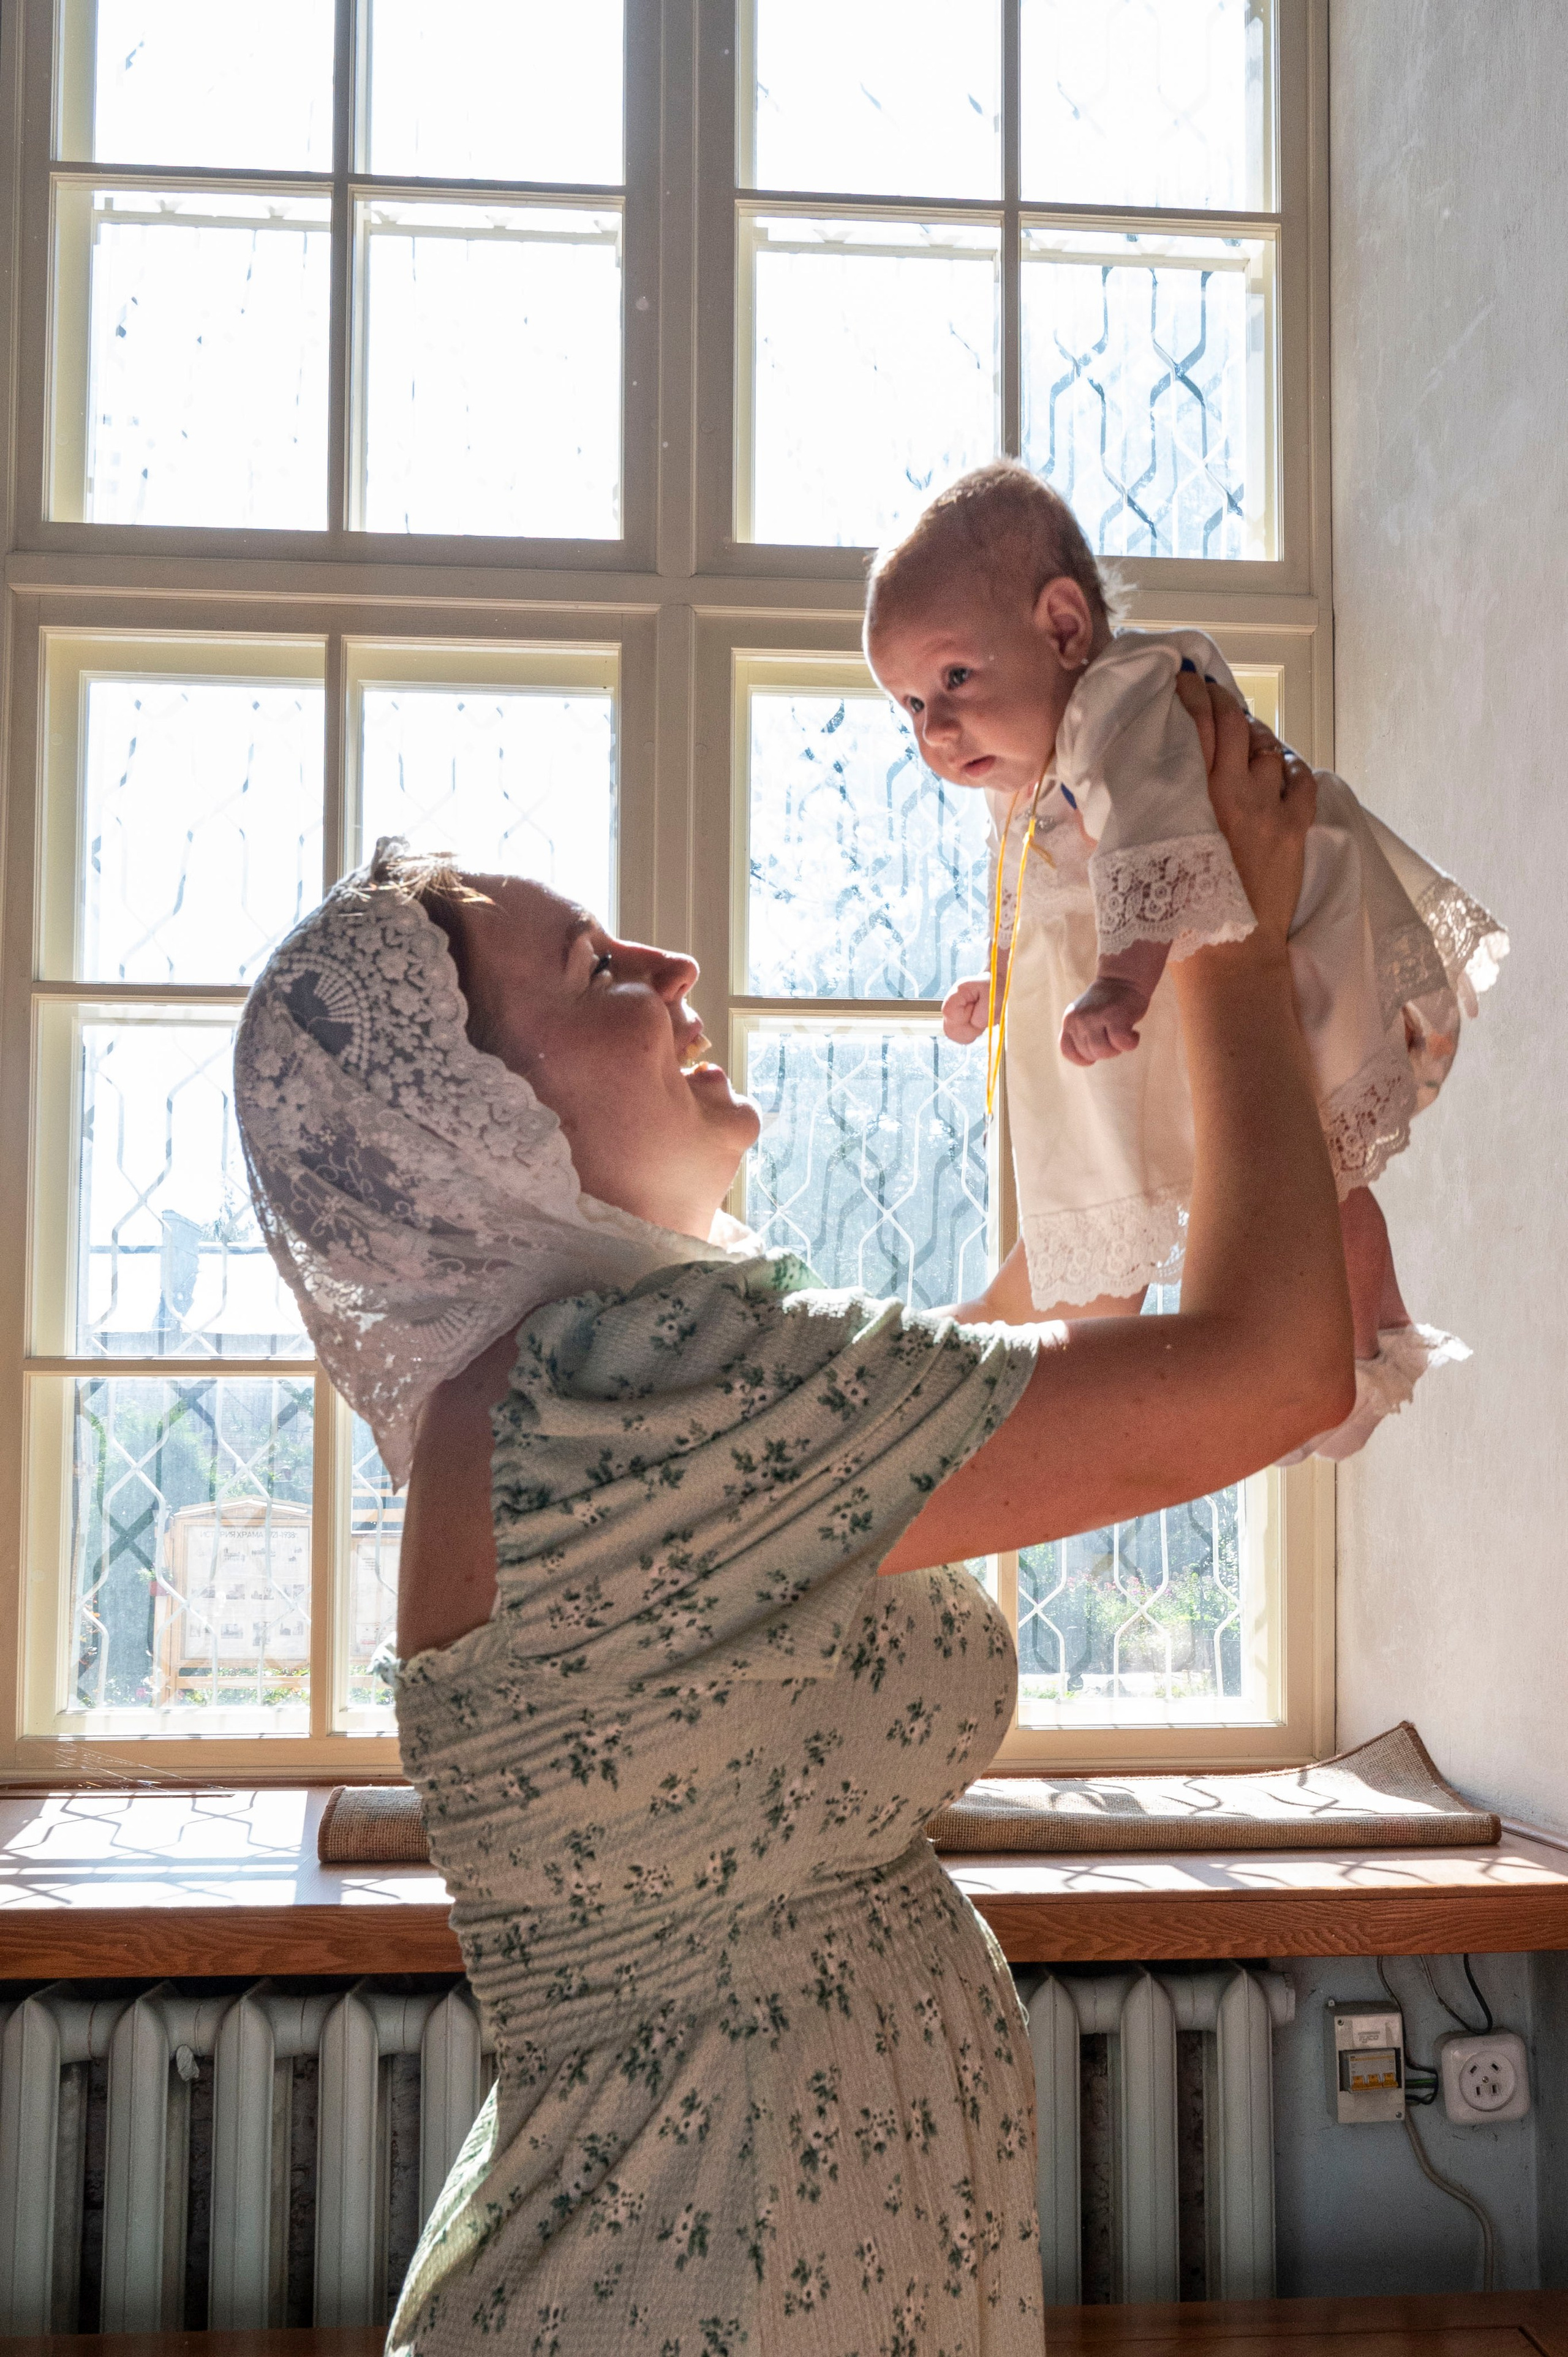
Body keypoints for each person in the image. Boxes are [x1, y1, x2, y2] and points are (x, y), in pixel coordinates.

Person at [235, 679, 1351, 2355]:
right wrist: (1228, 934)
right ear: (473, 1128)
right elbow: (1272, 1371)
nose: (674, 971)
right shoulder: (615, 1394)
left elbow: (1073, 1315)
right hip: (687, 2292)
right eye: (598, 970)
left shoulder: (583, 1403)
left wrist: (1083, 971)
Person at [865, 462, 1507, 1461]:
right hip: (1187, 973)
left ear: (1065, 628)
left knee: (1296, 1155)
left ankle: (1353, 1314)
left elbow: (1164, 840)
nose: (935, 731)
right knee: (1258, 1166)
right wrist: (1004, 985)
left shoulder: (1123, 703)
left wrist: (1123, 978)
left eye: (953, 680)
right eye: (906, 705)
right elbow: (1041, 897)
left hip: (1270, 941)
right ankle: (1345, 1320)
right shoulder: (1032, 765)